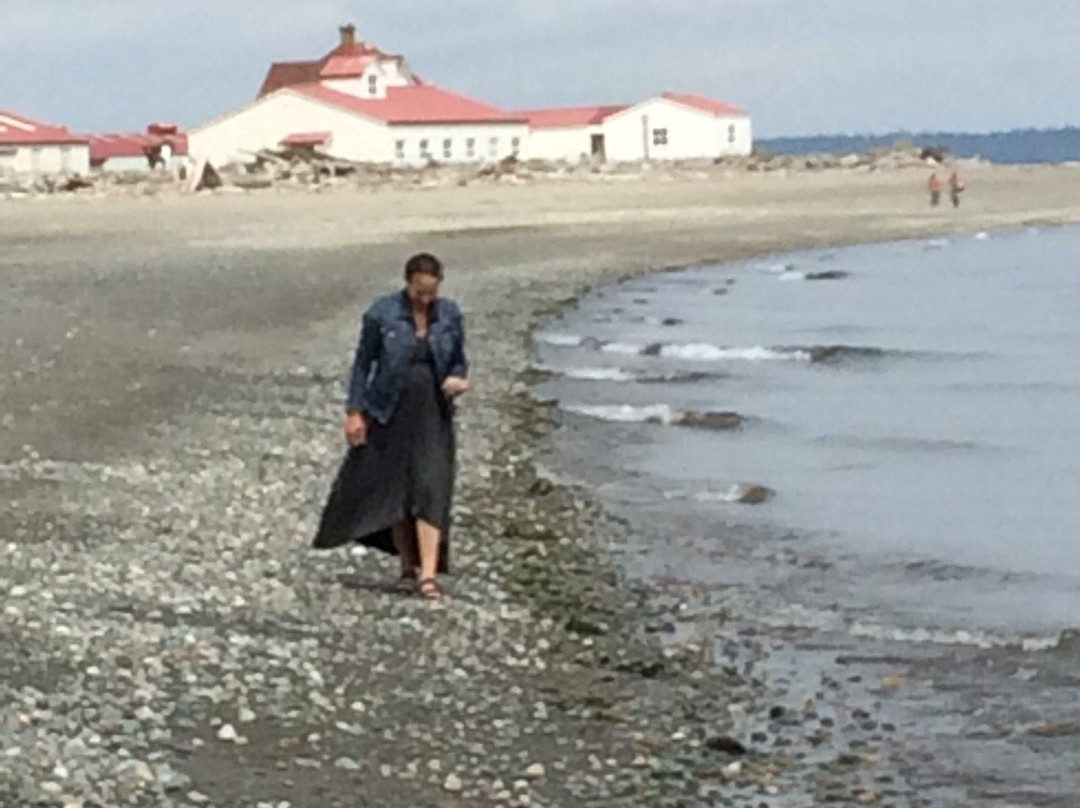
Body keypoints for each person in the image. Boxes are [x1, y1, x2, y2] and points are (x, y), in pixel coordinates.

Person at [312, 253, 469, 600]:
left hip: (433, 412)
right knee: (396, 491)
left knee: (432, 487)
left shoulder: (451, 315)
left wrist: (459, 379)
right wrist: (355, 412)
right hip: (389, 411)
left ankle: (429, 575)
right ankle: (407, 569)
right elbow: (362, 364)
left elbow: (459, 361)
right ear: (408, 284)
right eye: (419, 292)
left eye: (431, 292)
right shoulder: (381, 314)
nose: (425, 299)